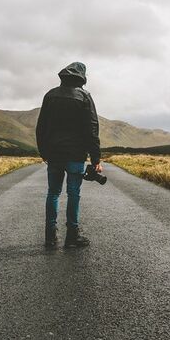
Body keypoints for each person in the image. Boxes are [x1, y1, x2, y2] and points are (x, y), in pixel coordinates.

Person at [35, 61, 102, 249]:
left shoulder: (50, 95)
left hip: (54, 154)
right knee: (74, 194)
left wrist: (43, 152)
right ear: (82, 77)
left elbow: (41, 127)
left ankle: (50, 237)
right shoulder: (84, 97)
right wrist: (96, 158)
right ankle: (72, 236)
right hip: (76, 154)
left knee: (53, 193)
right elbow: (92, 129)